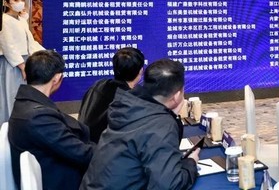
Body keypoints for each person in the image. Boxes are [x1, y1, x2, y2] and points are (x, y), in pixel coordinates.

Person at [80, 58, 199, 190]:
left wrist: (170, 115)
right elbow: (169, 185)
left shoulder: (128, 104)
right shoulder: (161, 123)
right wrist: (191, 163)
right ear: (176, 96)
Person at [8, 50, 95, 190]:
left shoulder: (27, 103)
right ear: (57, 78)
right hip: (61, 181)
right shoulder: (38, 117)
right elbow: (82, 154)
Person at [78, 47, 145, 142]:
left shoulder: (98, 85)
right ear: (140, 70)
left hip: (82, 143)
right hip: (102, 148)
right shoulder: (132, 101)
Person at [0, 0, 45, 123]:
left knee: (22, 95)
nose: (20, 3)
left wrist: (44, 54)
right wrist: (21, 66)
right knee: (11, 95)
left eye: (22, 0)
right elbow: (8, 46)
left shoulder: (21, 20)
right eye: (15, 0)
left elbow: (30, 42)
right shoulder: (4, 20)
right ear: (6, 3)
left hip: (24, 61)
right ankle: (9, 125)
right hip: (12, 63)